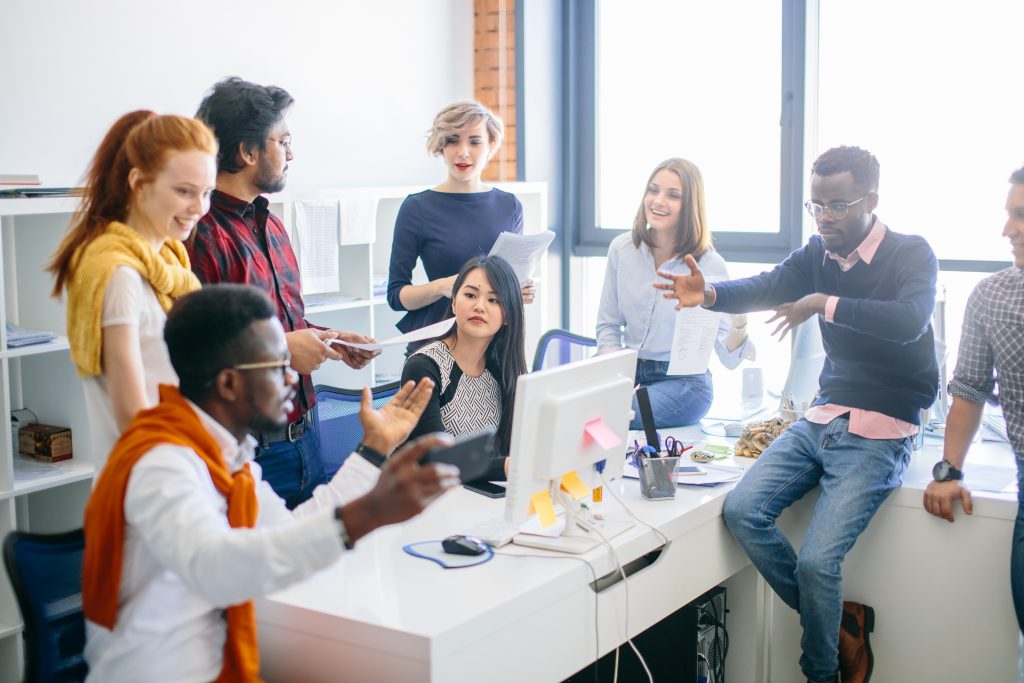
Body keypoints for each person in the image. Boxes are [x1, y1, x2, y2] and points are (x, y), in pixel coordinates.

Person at [655, 146, 938, 683]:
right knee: (742, 511)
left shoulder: (910, 253)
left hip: (883, 429)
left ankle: (821, 673)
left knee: (815, 564)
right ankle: (835, 624)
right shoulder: (817, 254)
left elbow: (908, 321)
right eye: (816, 207)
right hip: (822, 417)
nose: (825, 218)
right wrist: (709, 293)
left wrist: (820, 303)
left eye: (837, 206)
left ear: (871, 201)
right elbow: (767, 286)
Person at [81, 284, 459, 682]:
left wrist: (374, 450)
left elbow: (288, 531)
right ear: (228, 384)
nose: (292, 381)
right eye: (278, 367)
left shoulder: (230, 455)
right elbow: (214, 566)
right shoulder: (163, 463)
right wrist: (365, 514)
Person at [188, 77, 377, 508]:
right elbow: (194, 353)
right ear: (247, 152)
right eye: (283, 140)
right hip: (248, 449)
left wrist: (329, 339)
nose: (291, 153)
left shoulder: (270, 223)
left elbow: (282, 325)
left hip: (306, 436)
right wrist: (284, 351)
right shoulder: (202, 235)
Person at [48, 111, 215, 470]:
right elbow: (133, 418)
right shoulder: (119, 273)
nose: (199, 208)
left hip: (180, 464)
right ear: (139, 184)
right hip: (150, 480)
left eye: (206, 193)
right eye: (184, 191)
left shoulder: (169, 262)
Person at [923, 166, 1024, 634]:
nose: (1008, 230)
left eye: (1021, 216)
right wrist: (948, 471)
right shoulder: (992, 296)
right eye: (1009, 215)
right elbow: (968, 390)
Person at [596, 158, 754, 429]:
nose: (657, 201)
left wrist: (740, 319)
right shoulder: (621, 249)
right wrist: (613, 375)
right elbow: (609, 324)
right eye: (653, 190)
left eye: (673, 195)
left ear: (690, 205)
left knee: (613, 415)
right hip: (628, 372)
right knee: (578, 408)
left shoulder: (709, 265)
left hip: (685, 383)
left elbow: (728, 360)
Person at [387, 101, 534, 353]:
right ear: (440, 147)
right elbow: (396, 295)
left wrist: (516, 291)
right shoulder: (417, 208)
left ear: (490, 146)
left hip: (496, 348)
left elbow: (504, 280)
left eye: (475, 142)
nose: (463, 152)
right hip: (437, 347)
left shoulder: (510, 206)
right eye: (453, 141)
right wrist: (444, 286)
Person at [400, 255, 526, 480]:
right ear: (453, 303)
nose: (479, 306)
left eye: (494, 300)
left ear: (507, 315)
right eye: (470, 295)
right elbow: (436, 460)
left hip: (475, 494)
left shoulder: (500, 369)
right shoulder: (425, 367)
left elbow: (509, 444)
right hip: (427, 498)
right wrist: (507, 467)